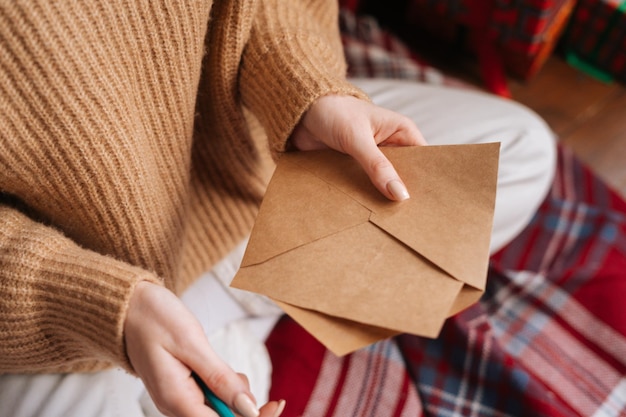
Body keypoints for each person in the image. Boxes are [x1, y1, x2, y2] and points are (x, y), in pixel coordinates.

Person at [0, 1, 555, 417]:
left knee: (521, 150)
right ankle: (235, 321)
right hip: (88, 292)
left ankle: (245, 309)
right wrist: (99, 309)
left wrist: (307, 89)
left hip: (259, 175)